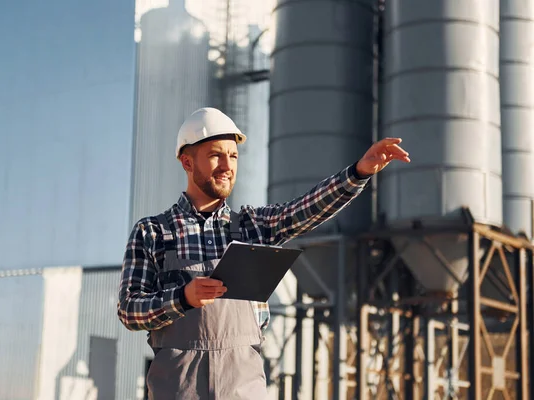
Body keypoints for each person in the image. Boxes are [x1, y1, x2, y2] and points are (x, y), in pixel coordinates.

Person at [118, 107, 410, 399]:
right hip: (179, 389)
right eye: (215, 155)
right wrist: (183, 298)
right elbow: (130, 311)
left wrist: (357, 173)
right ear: (187, 162)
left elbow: (304, 210)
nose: (227, 165)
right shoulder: (153, 232)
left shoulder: (252, 227)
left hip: (242, 388)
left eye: (233, 156)